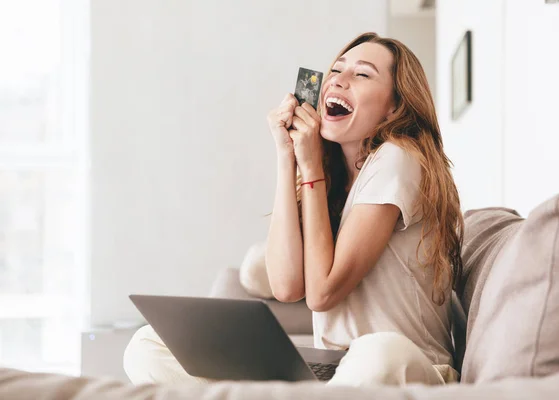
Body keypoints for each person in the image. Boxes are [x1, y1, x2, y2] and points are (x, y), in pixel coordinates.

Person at [123, 32, 464, 387]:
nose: (338, 80)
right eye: (336, 70)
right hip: (335, 373)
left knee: (377, 353)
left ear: (395, 106)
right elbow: (286, 286)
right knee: (148, 345)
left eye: (362, 74)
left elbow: (321, 293)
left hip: (406, 368)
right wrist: (287, 156)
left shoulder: (398, 157)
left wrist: (311, 168)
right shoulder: (333, 180)